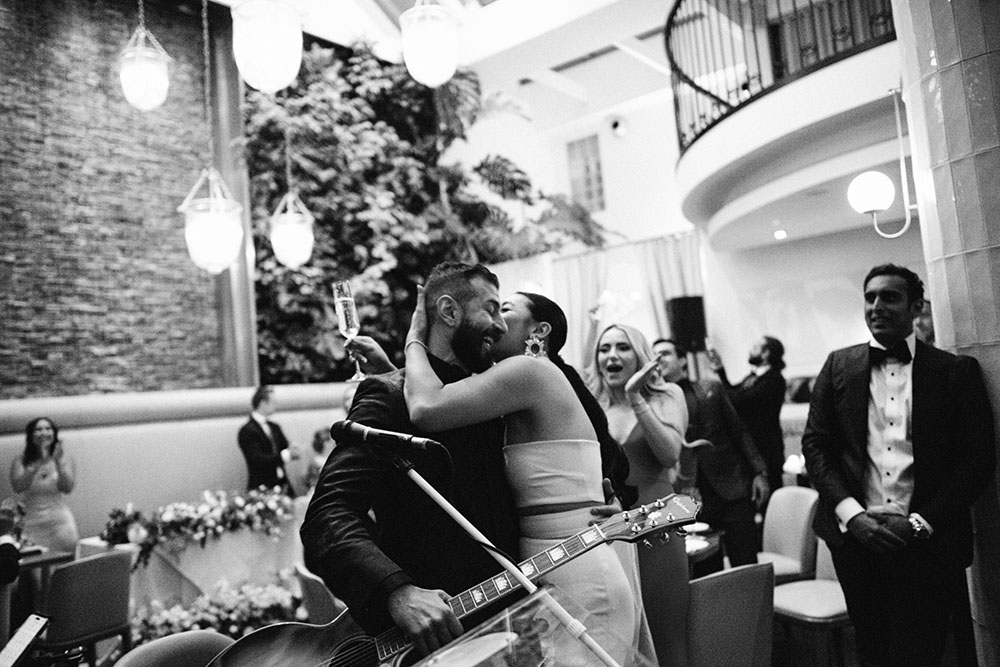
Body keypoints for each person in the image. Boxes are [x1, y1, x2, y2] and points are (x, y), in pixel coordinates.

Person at [405, 290, 653, 666]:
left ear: (538, 331)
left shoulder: (530, 370)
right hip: (546, 565)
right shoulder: (513, 381)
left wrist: (414, 341)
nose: (496, 323)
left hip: (577, 569)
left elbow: (426, 407)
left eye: (504, 310)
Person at [301, 263, 521, 659]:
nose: (501, 325)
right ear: (449, 312)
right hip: (435, 641)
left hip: (513, 618)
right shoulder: (388, 396)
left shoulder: (500, 395)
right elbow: (327, 515)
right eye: (490, 309)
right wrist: (397, 592)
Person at [801, 264, 995, 667]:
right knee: (869, 648)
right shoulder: (838, 365)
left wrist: (920, 522)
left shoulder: (955, 372)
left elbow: (975, 460)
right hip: (856, 541)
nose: (876, 306)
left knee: (920, 652)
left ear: (916, 306)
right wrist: (852, 517)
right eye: (870, 297)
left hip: (925, 543)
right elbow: (816, 447)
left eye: (889, 297)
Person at [588, 324, 690, 667]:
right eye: (604, 349)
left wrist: (635, 398)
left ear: (640, 357)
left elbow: (670, 455)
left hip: (656, 521)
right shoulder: (591, 403)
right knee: (618, 633)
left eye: (623, 348)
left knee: (666, 633)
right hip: (607, 528)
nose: (612, 356)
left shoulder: (667, 395)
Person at [654, 338, 769, 568]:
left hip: (732, 488)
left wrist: (759, 472)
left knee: (745, 562)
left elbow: (739, 431)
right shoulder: (653, 403)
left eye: (665, 353)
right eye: (654, 354)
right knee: (706, 567)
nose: (658, 359)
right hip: (689, 495)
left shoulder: (711, 389)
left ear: (682, 360)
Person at [708, 336, 787, 496]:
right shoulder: (753, 377)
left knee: (769, 499)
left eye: (755, 347)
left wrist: (719, 380)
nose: (750, 350)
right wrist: (720, 370)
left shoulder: (774, 380)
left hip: (766, 450)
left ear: (766, 354)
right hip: (752, 447)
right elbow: (732, 392)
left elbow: (740, 401)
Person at [10, 417, 78, 553]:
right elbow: (18, 487)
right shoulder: (20, 460)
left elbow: (67, 488)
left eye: (48, 429)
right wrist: (34, 466)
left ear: (54, 433)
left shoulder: (65, 458)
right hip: (31, 523)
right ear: (31, 435)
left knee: (64, 568)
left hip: (60, 523)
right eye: (38, 429)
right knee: (34, 568)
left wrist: (58, 464)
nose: (44, 433)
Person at [237, 386, 293, 494]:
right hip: (262, 487)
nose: (276, 406)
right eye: (273, 402)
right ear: (262, 403)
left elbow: (284, 446)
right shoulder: (247, 430)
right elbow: (256, 459)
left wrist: (292, 450)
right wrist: (283, 456)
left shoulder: (274, 427)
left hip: (282, 484)